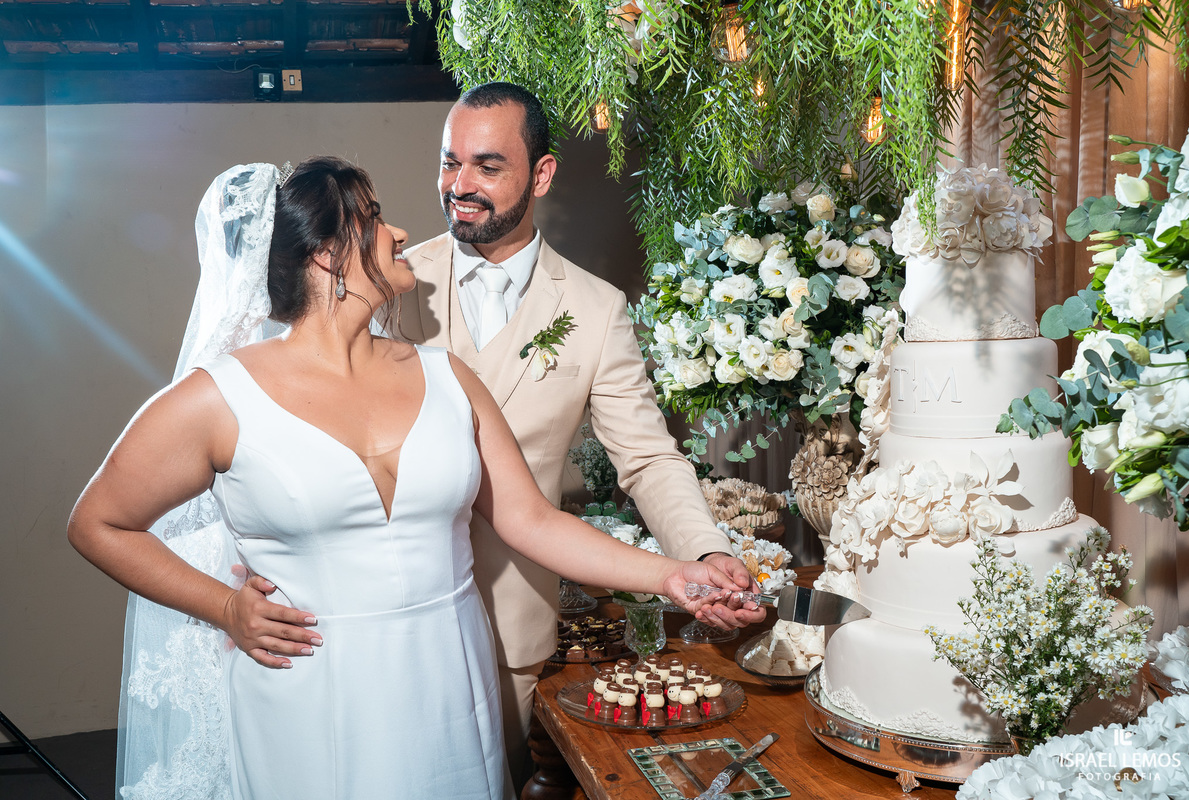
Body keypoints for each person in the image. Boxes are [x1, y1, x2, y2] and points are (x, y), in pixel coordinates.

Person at [67, 157, 743, 800]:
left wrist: (672, 576)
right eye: (373, 216)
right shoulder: (219, 398)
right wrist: (223, 606)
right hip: (306, 691)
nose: (398, 232)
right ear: (328, 252)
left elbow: (530, 520)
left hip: (447, 676)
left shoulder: (448, 377)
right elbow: (97, 523)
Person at [394, 80, 767, 782]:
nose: (460, 186)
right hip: (394, 609)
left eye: (487, 166)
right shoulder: (392, 283)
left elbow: (649, 459)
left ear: (541, 174)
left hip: (511, 621)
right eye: (450, 162)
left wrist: (704, 550)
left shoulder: (596, 310)